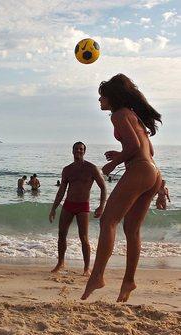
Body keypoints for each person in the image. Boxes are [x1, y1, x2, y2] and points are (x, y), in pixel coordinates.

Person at [82, 74, 162, 302]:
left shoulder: (117, 115)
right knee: (132, 230)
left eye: (101, 97)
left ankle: (97, 276)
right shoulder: (133, 115)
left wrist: (112, 164)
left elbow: (135, 146)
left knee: (109, 221)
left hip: (140, 170)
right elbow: (149, 151)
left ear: (111, 98)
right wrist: (160, 184)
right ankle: (128, 281)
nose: (99, 101)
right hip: (153, 173)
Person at [49, 142, 107, 276]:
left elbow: (103, 187)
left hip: (83, 206)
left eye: (81, 149)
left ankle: (87, 268)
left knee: (84, 237)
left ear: (84, 151)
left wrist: (101, 206)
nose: (78, 151)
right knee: (61, 234)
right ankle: (60, 263)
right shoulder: (67, 170)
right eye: (76, 149)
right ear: (72, 151)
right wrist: (53, 209)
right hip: (68, 204)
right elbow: (61, 191)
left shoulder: (92, 168)